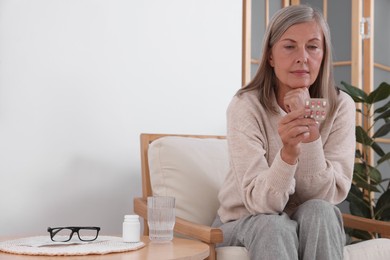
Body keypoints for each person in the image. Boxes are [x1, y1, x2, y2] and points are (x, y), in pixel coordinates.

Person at [212, 4, 356, 260]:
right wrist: (288, 154)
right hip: (245, 221)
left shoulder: (340, 105)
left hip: (309, 218)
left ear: (323, 54)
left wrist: (310, 140)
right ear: (270, 56)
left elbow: (325, 197)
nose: (303, 57)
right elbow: (261, 204)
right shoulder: (246, 106)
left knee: (321, 211)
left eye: (312, 46)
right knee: (274, 225)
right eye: (289, 47)